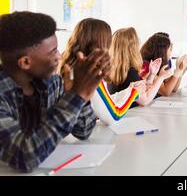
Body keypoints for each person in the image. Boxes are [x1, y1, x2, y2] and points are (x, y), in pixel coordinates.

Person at [0, 12, 109, 172]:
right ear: (25, 62)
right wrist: (77, 95)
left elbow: (84, 131)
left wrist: (81, 94)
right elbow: (24, 156)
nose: (59, 56)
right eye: (53, 52)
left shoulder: (53, 83)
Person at [58, 18, 139, 126]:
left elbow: (105, 102)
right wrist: (134, 93)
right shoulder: (90, 74)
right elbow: (114, 116)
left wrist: (128, 92)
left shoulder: (70, 67)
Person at [107, 27, 172, 107]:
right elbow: (145, 100)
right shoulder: (130, 72)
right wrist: (161, 78)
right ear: (132, 48)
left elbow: (143, 90)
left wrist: (151, 74)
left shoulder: (115, 69)